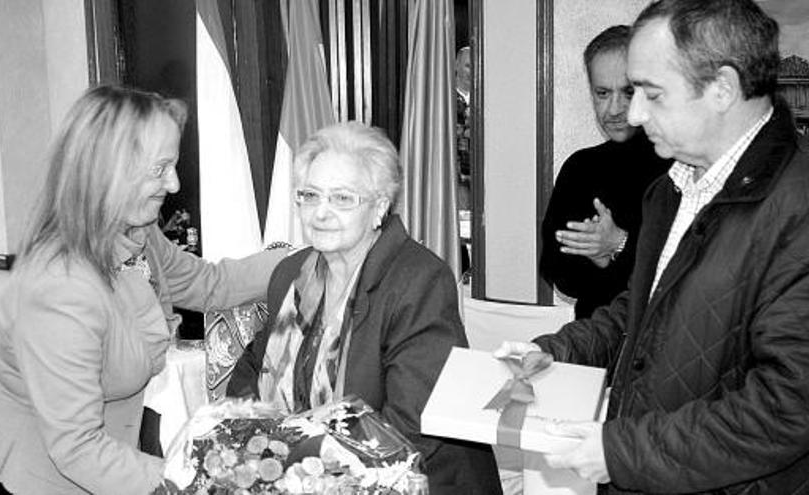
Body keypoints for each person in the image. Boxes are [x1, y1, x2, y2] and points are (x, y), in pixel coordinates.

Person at [502, 0, 809, 492]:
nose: (634, 113)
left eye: (651, 93)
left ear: (723, 89)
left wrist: (621, 452)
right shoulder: (674, 185)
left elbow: (786, 407)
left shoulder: (798, 204)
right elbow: (641, 312)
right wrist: (557, 352)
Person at [0, 85, 287, 495]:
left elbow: (210, 284)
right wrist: (200, 481)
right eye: (160, 168)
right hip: (30, 478)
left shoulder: (137, 231)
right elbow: (77, 448)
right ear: (110, 172)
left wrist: (312, 257)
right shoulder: (58, 288)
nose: (175, 182)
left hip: (103, 459)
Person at [227, 122, 502, 494]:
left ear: (379, 208)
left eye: (342, 198)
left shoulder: (419, 281)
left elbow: (408, 426)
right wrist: (253, 444)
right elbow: (252, 369)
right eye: (310, 195)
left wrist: (299, 466)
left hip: (414, 481)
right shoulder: (290, 275)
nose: (320, 213)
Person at [540, 25, 670, 319]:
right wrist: (604, 257)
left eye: (627, 92)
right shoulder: (580, 167)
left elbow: (677, 274)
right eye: (602, 93)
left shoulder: (679, 164)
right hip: (592, 341)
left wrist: (618, 244)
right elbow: (557, 272)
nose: (614, 109)